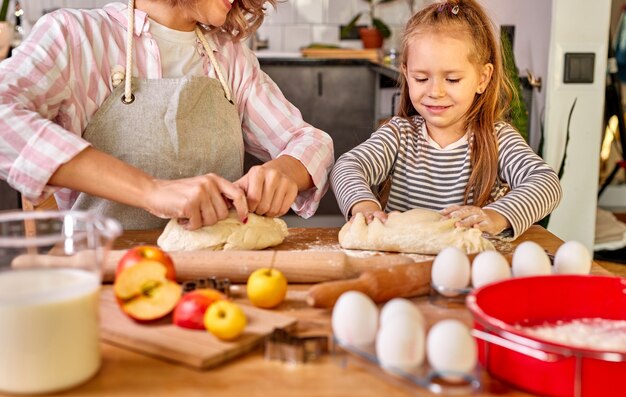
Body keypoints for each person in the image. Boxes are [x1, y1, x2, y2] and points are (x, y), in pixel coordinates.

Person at [0, 0, 334, 230]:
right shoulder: (77, 37)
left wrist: (284, 171)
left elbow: (311, 141)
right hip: (107, 277)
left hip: (215, 278)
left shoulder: (230, 57)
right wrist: (152, 191)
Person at [330, 0, 561, 239]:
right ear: (406, 73)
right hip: (399, 262)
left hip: (471, 267)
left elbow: (546, 183)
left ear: (482, 78)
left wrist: (496, 215)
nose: (435, 92)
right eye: (421, 78)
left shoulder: (497, 139)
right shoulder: (398, 135)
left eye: (452, 80)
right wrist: (364, 206)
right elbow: (347, 166)